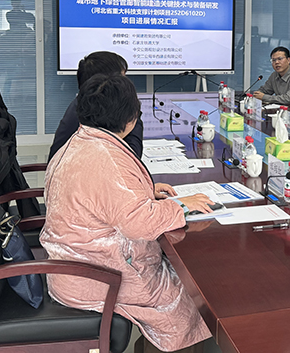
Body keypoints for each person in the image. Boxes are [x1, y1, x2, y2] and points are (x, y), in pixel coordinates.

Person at [41, 73, 214, 352]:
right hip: (99, 276)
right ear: (131, 119)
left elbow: (99, 195)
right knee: (191, 300)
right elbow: (139, 225)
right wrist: (181, 205)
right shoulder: (107, 158)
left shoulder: (81, 142)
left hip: (75, 267)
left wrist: (145, 191)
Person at [48, 51, 143, 161]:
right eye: (122, 78)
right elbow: (131, 156)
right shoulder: (94, 114)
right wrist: (132, 113)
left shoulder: (84, 105)